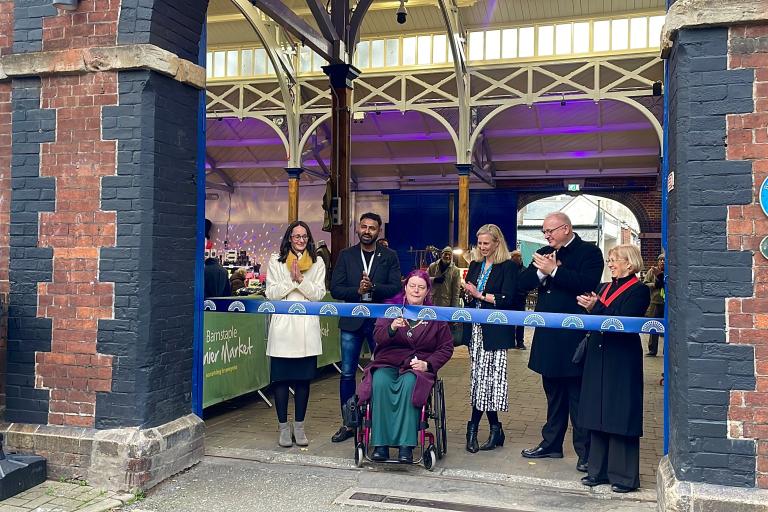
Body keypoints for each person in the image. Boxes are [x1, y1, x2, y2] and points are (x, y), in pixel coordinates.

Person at [518, 212, 603, 473]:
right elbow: (521, 284)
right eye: (544, 232)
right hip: (547, 335)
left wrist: (553, 270)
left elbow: (586, 283)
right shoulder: (543, 252)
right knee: (553, 395)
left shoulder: (589, 252)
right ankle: (551, 444)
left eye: (550, 231)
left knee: (577, 397)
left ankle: (585, 452)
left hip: (574, 338)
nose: (546, 236)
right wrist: (541, 274)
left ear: (566, 228)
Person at [357, 270, 454, 463]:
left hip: (417, 367)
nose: (416, 291)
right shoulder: (391, 310)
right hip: (388, 361)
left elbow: (446, 347)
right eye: (412, 286)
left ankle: (406, 446)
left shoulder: (435, 316)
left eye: (421, 287)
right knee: (381, 381)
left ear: (427, 291)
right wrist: (392, 328)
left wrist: (428, 364)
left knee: (411, 383)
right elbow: (378, 337)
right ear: (405, 287)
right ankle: (380, 445)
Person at [576, 244, 650, 493]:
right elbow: (599, 314)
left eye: (614, 260)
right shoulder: (603, 288)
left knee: (620, 413)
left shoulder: (639, 291)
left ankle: (624, 477)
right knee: (597, 410)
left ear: (629, 264)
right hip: (598, 355)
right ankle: (597, 471)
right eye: (609, 260)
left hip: (621, 358)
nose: (610, 264)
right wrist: (589, 306)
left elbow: (622, 320)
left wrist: (595, 307)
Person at [330, 212, 402, 443]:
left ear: (379, 231)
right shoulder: (346, 255)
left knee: (382, 371)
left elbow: (394, 288)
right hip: (351, 321)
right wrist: (357, 292)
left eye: (372, 227)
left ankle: (379, 421)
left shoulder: (388, 256)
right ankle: (348, 423)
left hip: (379, 323)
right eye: (364, 226)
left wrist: (374, 287)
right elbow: (335, 289)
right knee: (348, 373)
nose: (367, 231)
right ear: (358, 229)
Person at [265, 221, 326, 448]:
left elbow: (318, 295)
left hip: (305, 329)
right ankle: (283, 427)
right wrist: (291, 279)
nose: (300, 240)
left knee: (303, 382)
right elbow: (271, 294)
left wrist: (302, 279)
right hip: (282, 329)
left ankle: (299, 426)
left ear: (308, 239)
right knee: (280, 381)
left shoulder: (318, 262)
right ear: (289, 238)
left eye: (304, 236)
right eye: (296, 236)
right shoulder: (276, 260)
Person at [461, 224, 519, 453]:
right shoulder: (475, 265)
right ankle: (496, 428)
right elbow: (470, 298)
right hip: (475, 328)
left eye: (487, 243)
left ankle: (473, 428)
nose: (483, 247)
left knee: (487, 381)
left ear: (497, 243)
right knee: (481, 379)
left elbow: (508, 299)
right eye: (480, 243)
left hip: (494, 330)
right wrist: (467, 294)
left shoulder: (508, 267)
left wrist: (479, 295)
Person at [644, 253, 665, 356]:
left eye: (664, 260)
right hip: (655, 302)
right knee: (653, 325)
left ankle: (667, 350)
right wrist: (654, 285)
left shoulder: (669, 272)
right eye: (660, 260)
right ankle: (652, 350)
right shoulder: (652, 272)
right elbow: (645, 283)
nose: (662, 261)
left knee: (667, 327)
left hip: (667, 303)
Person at [509, 250, 528, 350]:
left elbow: (527, 284)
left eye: (518, 257)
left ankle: (520, 341)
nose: (517, 259)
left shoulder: (525, 270)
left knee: (521, 321)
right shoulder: (507, 269)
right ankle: (510, 341)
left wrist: (523, 292)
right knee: (510, 320)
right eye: (514, 257)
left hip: (520, 298)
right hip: (510, 299)